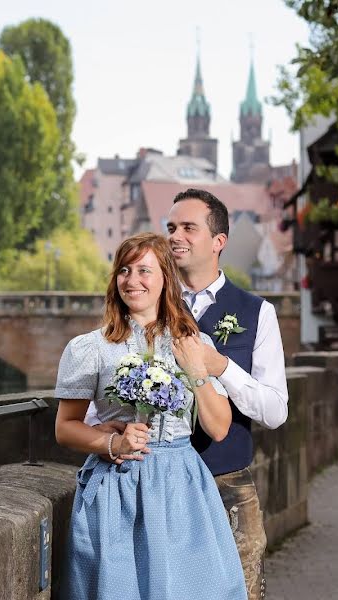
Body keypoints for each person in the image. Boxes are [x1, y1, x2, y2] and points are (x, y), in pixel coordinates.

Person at [85, 188, 288, 600]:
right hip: (151, 485)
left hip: (225, 482)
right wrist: (105, 429)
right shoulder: (144, 301)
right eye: (171, 227)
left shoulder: (255, 312)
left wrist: (222, 367)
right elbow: (100, 394)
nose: (175, 236)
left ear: (218, 241)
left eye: (188, 228)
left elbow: (275, 409)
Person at [55, 232, 248, 600]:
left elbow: (219, 427)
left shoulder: (195, 343)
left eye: (144, 270)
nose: (132, 280)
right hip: (118, 484)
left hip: (181, 487)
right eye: (124, 270)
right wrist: (111, 441)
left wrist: (196, 370)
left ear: (164, 278)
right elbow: (64, 429)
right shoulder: (89, 349)